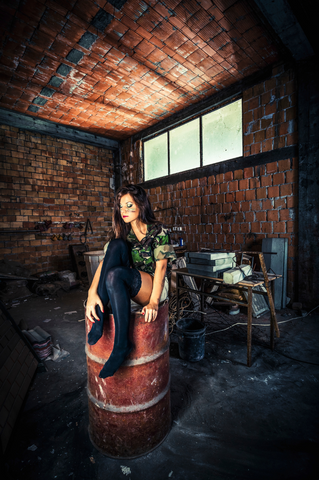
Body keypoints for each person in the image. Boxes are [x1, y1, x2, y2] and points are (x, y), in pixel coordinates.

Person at [85, 184, 176, 379]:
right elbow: (105, 263)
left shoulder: (159, 232)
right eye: (121, 206)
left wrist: (153, 301)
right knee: (115, 247)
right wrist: (92, 293)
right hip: (133, 281)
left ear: (141, 205)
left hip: (155, 287)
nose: (123, 210)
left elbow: (161, 268)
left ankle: (121, 345)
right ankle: (99, 318)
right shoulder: (125, 234)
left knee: (116, 275)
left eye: (129, 205)